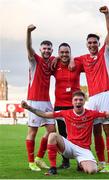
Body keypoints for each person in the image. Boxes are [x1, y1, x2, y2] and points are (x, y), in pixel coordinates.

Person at [21, 91, 109, 175]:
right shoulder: (65, 113)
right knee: (52, 135)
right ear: (72, 102)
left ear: (84, 102)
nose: (78, 102)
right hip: (69, 146)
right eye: (76, 100)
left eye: (80, 100)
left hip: (84, 150)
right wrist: (28, 108)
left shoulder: (92, 113)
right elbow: (45, 115)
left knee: (92, 171)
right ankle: (53, 168)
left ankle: (81, 163)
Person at [75, 6, 109, 172]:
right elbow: (67, 60)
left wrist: (107, 14)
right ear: (86, 44)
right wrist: (70, 61)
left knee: (108, 130)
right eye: (90, 43)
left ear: (99, 44)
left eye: (95, 42)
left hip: (105, 95)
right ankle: (100, 162)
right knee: (96, 131)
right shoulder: (83, 59)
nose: (92, 44)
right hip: (92, 98)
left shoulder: (104, 53)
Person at [26, 24, 56, 171]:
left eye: (49, 48)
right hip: (34, 100)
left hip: (46, 101)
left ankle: (39, 158)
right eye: (44, 48)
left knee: (52, 130)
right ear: (40, 50)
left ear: (51, 50)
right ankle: (31, 162)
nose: (46, 50)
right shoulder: (35, 60)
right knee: (33, 132)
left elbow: (63, 58)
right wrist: (28, 32)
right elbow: (28, 47)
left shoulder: (51, 62)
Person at [52, 43, 84, 169]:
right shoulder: (55, 65)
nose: (64, 54)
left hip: (74, 106)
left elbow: (86, 60)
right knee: (63, 135)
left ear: (70, 53)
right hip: (59, 105)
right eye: (62, 52)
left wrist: (72, 59)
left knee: (77, 135)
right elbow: (46, 59)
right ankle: (65, 162)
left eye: (67, 52)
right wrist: (56, 58)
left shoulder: (77, 63)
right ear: (59, 53)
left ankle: (80, 162)